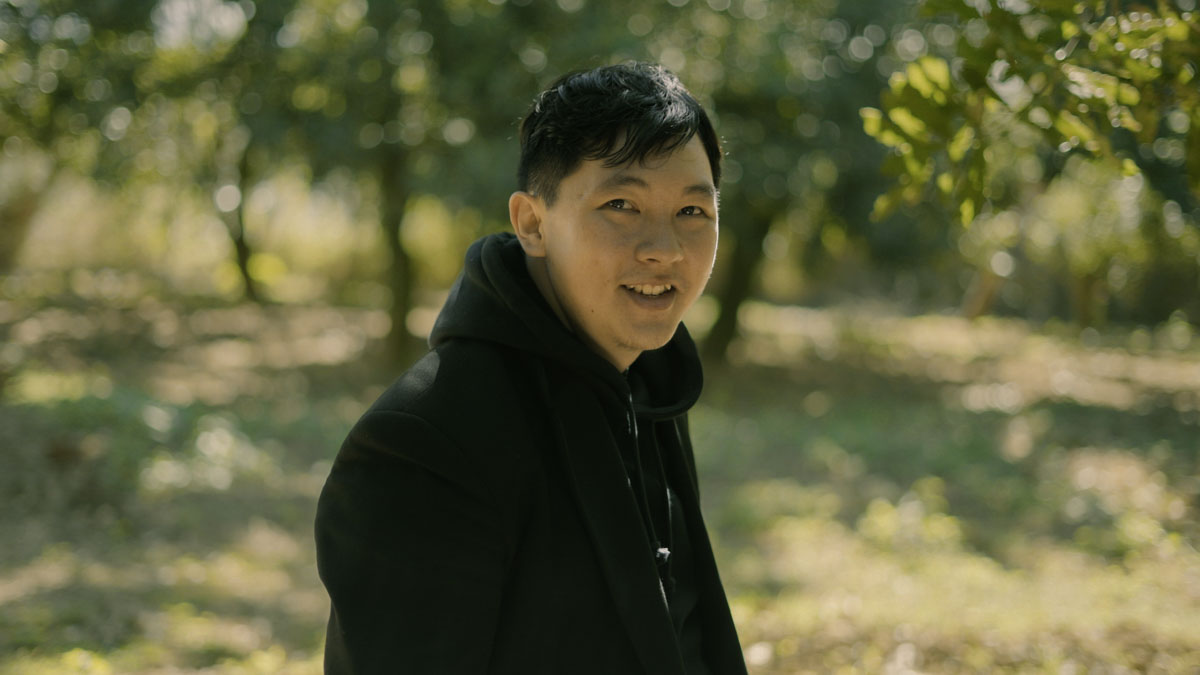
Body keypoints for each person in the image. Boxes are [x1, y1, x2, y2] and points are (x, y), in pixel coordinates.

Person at [315, 61, 748, 675]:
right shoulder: (423, 443)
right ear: (533, 224)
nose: (664, 249)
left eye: (691, 212)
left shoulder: (649, 381)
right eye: (621, 204)